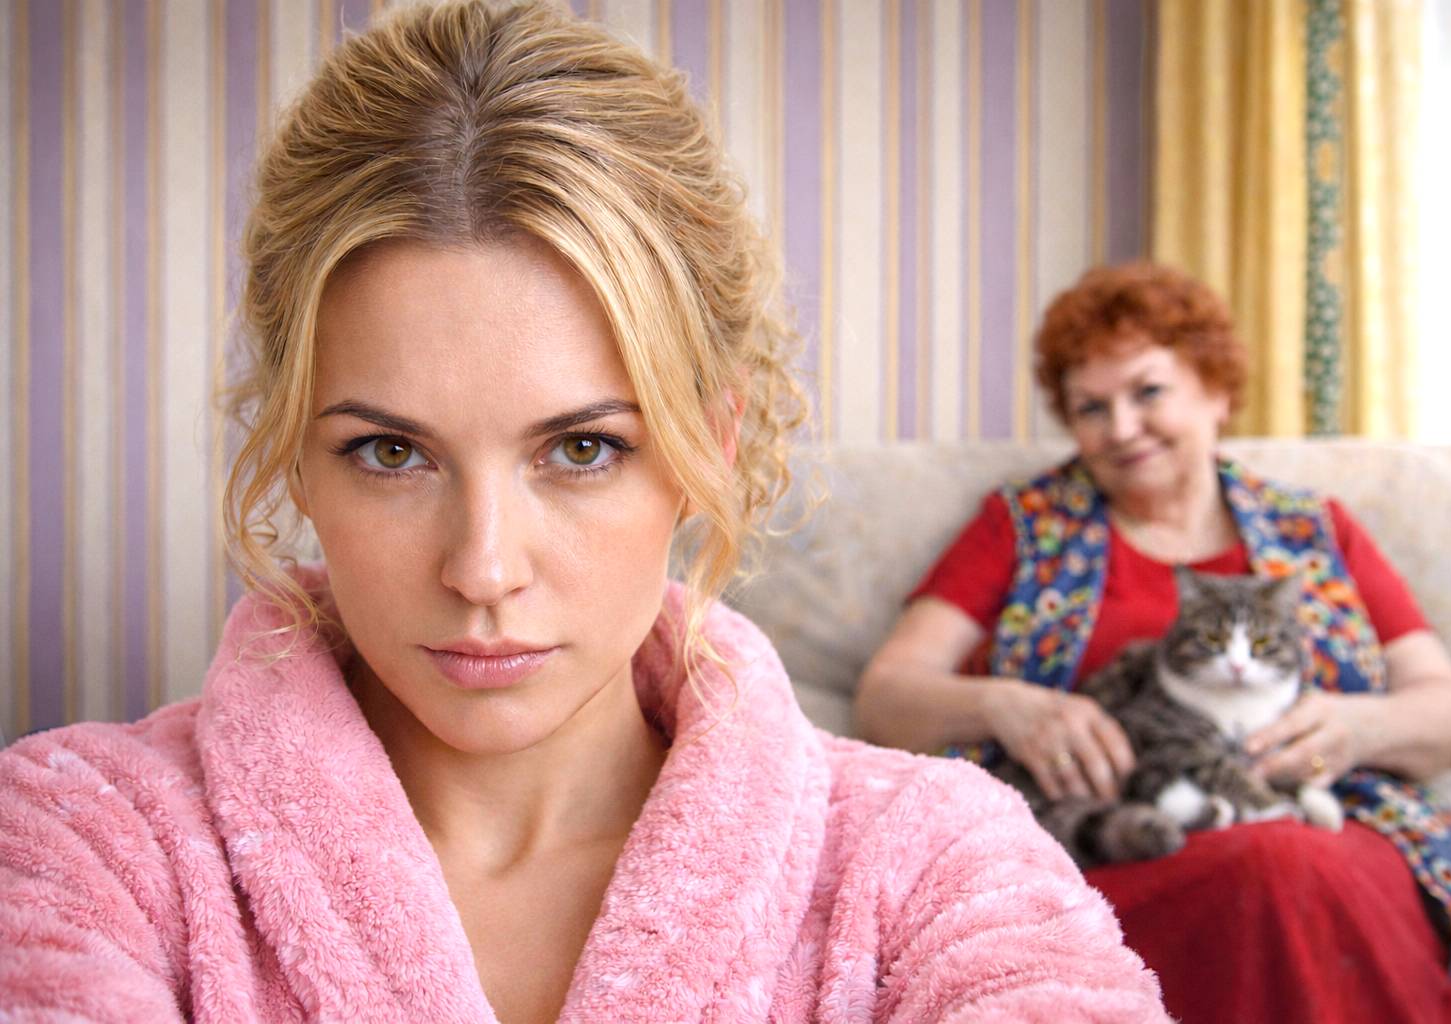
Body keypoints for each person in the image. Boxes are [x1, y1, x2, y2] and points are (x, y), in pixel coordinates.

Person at [0, 3, 1168, 1021]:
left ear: (708, 443)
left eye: (581, 448)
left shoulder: (935, 865)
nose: (483, 568)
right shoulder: (81, 843)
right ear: (296, 454)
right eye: (391, 451)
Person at [857, 262, 1451, 1024]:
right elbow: (886, 694)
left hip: (1319, 826)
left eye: (1147, 392)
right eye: (1091, 407)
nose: (1121, 428)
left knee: (1289, 859)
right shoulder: (1020, 526)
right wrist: (1005, 706)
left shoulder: (1314, 532)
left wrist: (1357, 728)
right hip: (1123, 842)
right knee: (1270, 864)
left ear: (1216, 390)